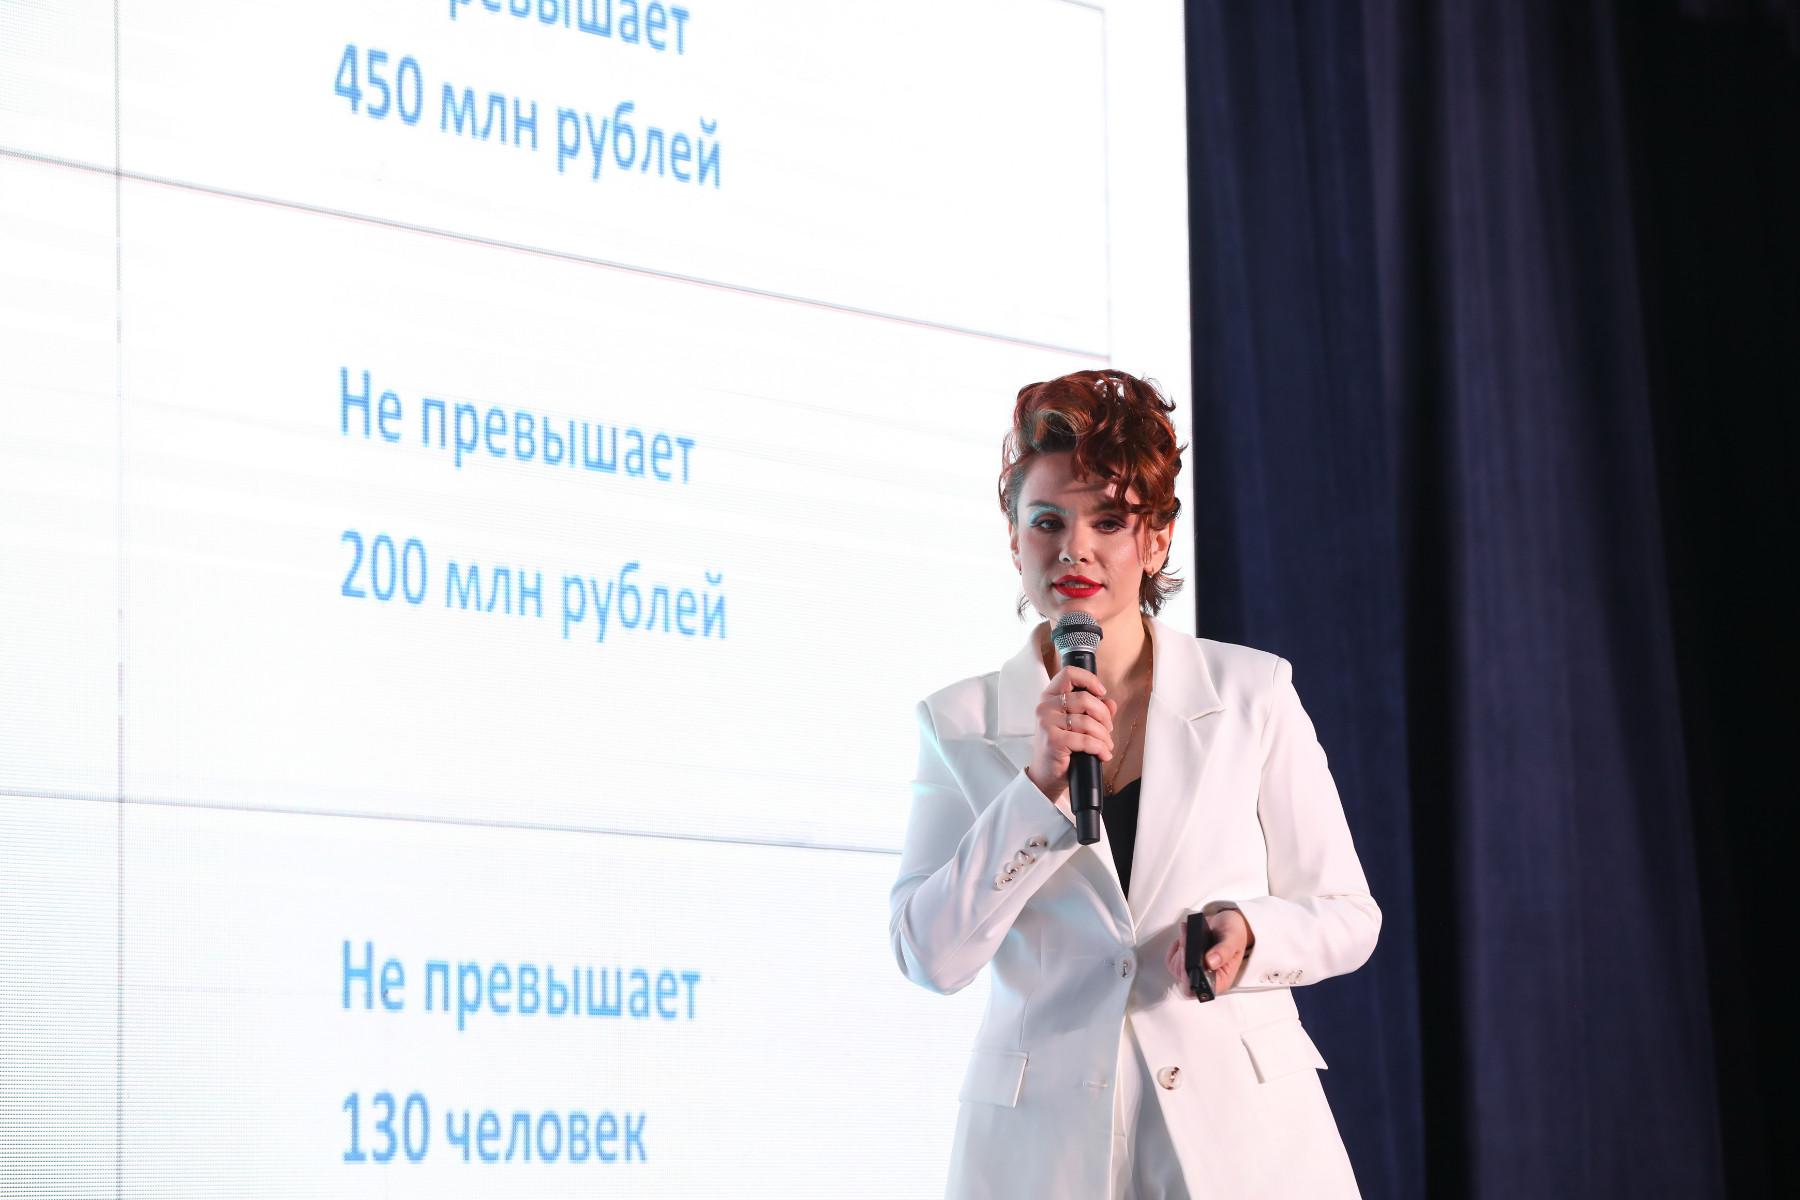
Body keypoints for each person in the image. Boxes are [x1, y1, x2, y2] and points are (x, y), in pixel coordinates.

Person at [888, 370, 1380, 1199]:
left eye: (1109, 521)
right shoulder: (959, 722)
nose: (1074, 549)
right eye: (1047, 521)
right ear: (1014, 540)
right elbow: (928, 954)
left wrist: (1249, 933)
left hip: (1243, 1138)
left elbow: (1348, 916)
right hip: (1045, 1154)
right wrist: (1036, 788)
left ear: (1155, 541)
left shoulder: (1252, 693)